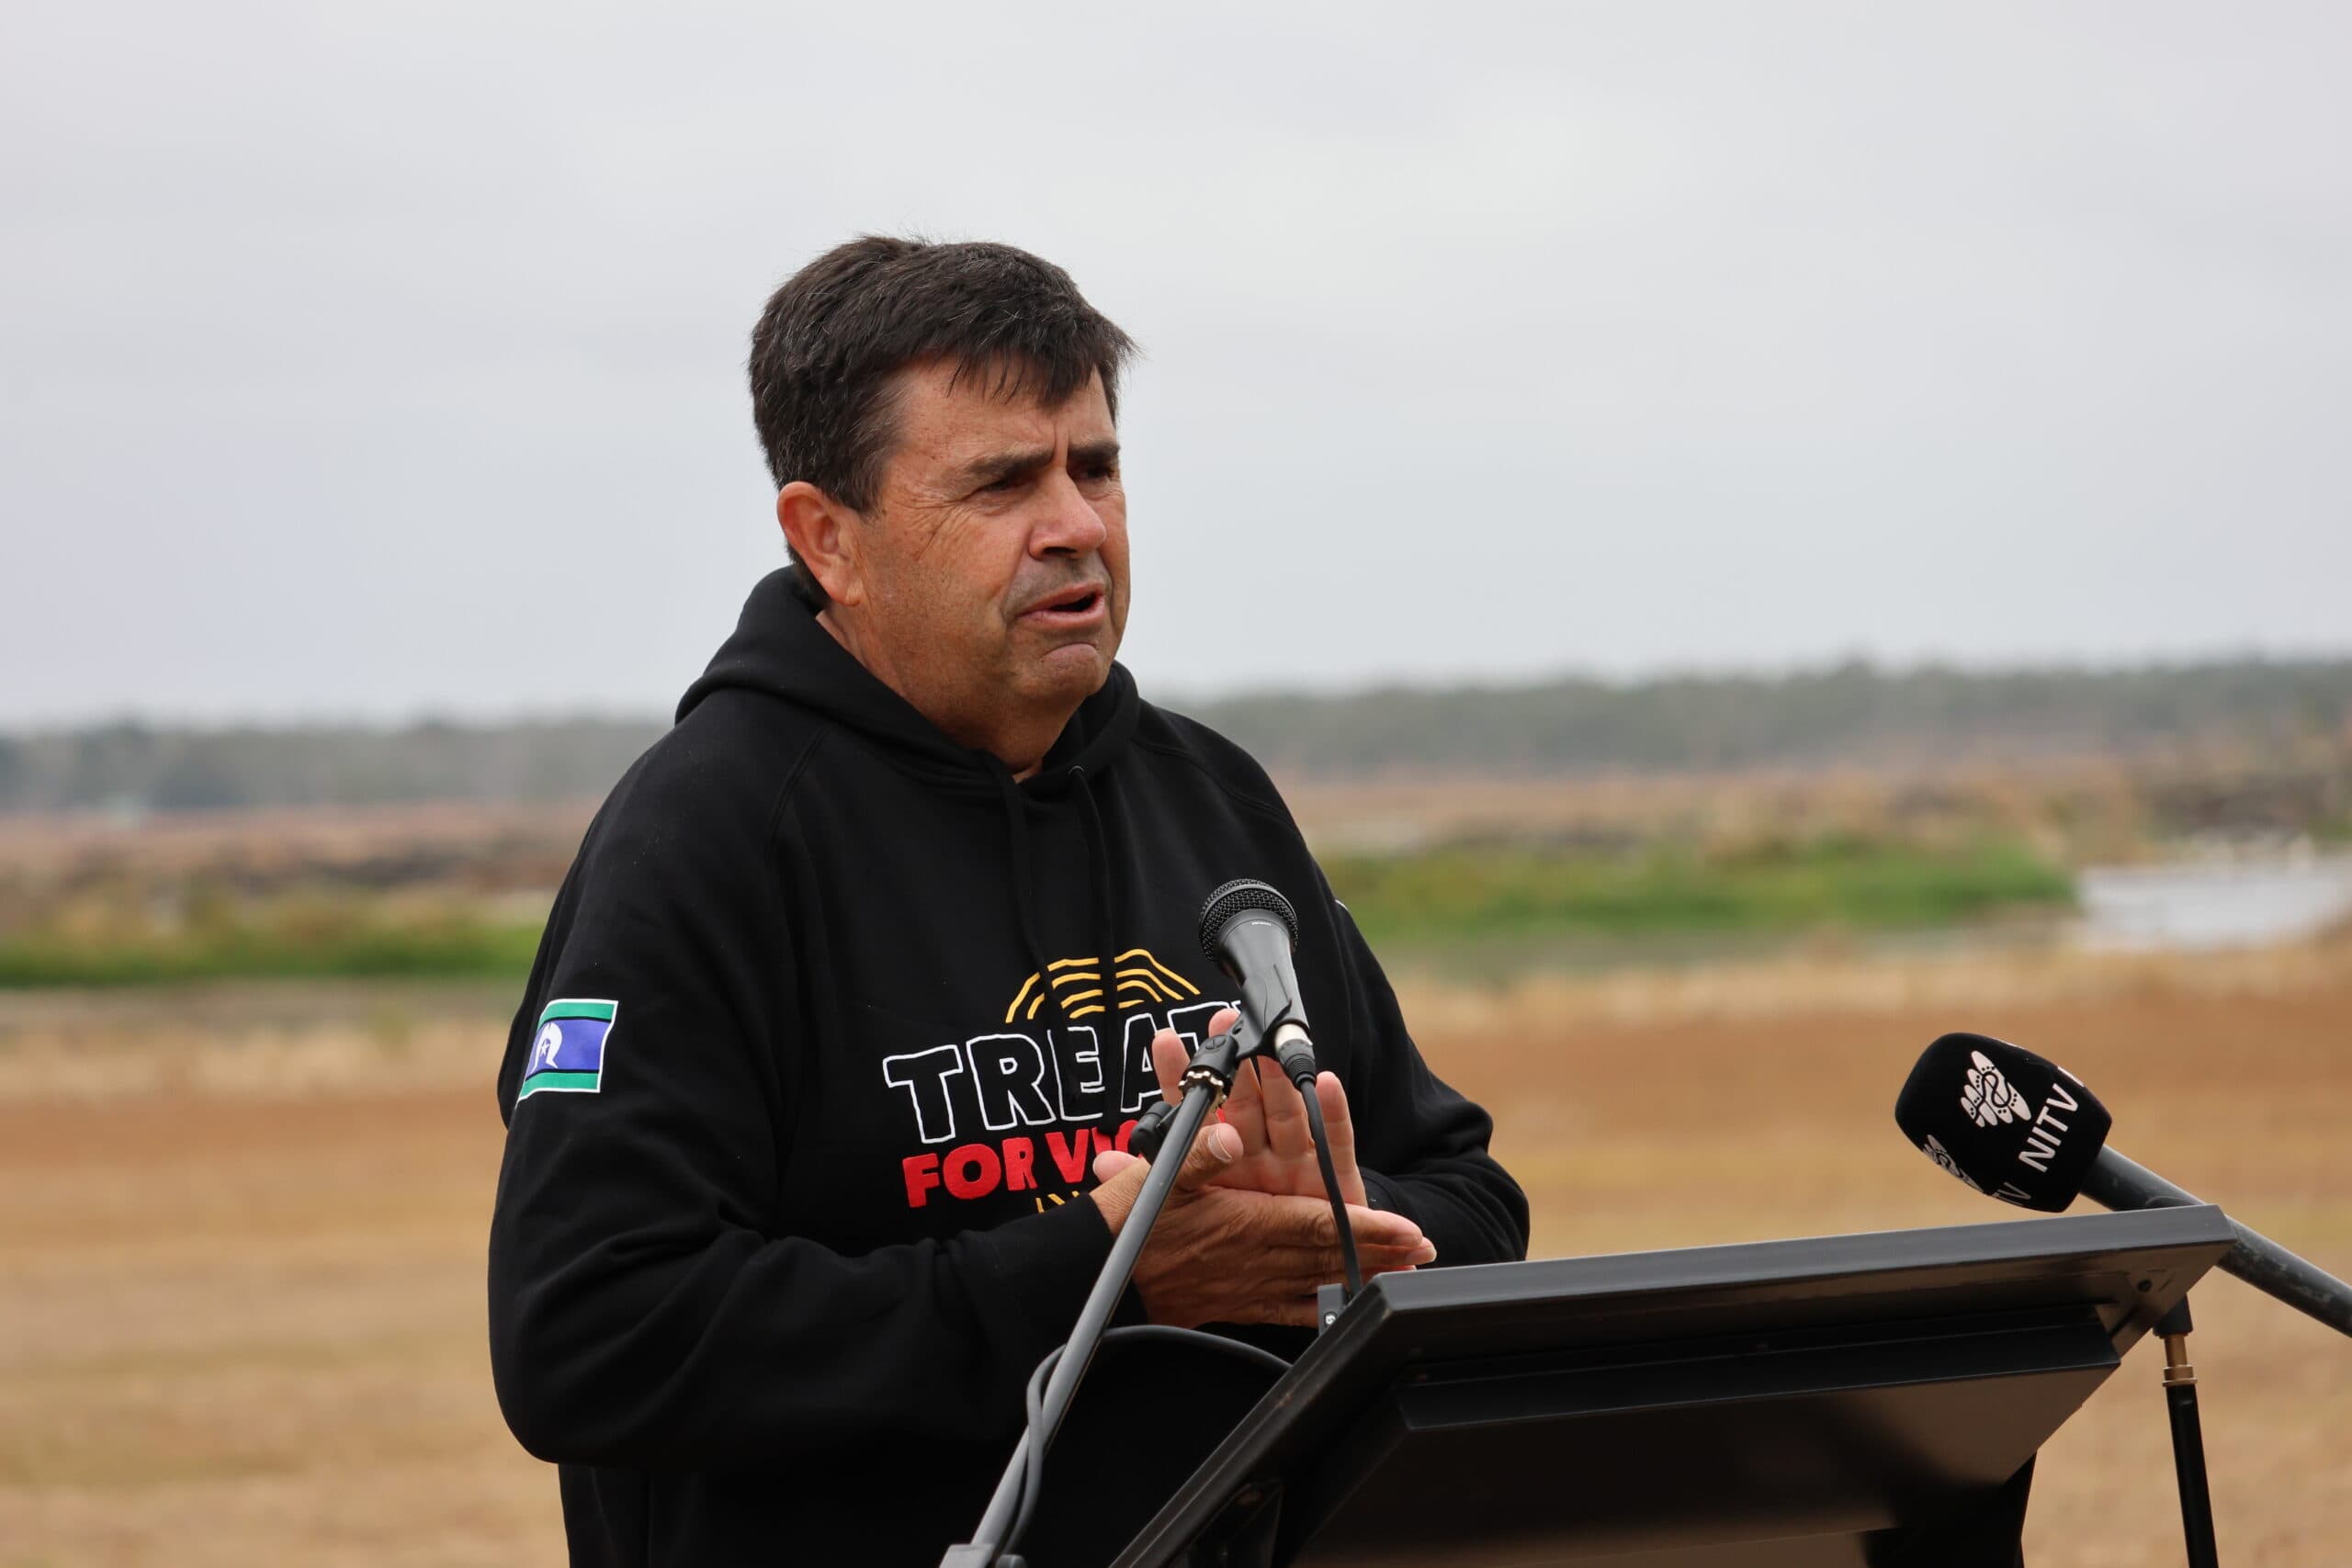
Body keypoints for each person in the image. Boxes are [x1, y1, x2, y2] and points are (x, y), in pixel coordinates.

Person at [487, 236, 1529, 1567]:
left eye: (1096, 466)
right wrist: (1103, 1271)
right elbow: (590, 1339)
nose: (1078, 525)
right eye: (1002, 483)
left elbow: (1477, 1207)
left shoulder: (1212, 803)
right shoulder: (705, 840)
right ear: (830, 540)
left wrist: (1329, 1224)